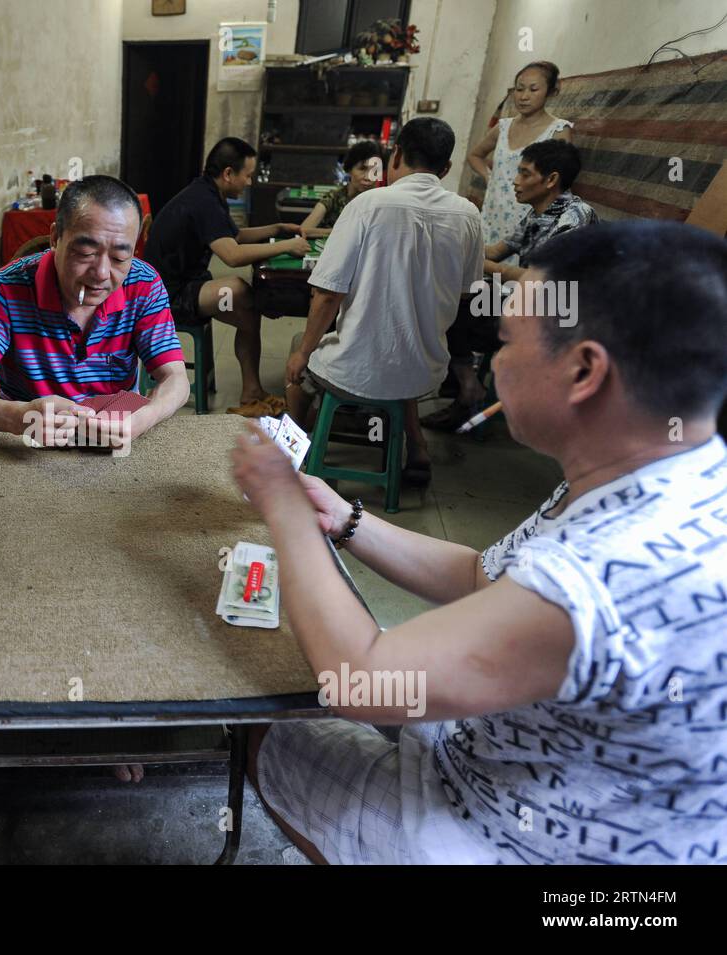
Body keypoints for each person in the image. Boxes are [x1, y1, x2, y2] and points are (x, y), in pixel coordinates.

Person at [233, 220, 727, 864]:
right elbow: (481, 576)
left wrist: (283, 511)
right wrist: (344, 519)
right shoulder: (668, 472)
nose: (496, 362)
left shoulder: (609, 571)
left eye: (507, 341)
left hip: (524, 846)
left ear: (584, 370)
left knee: (263, 727)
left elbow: (362, 683)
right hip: (520, 763)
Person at [284, 118, 484, 484]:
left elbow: (328, 295)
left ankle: (294, 455)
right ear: (447, 168)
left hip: (359, 371)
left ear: (397, 155)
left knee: (300, 352)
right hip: (425, 372)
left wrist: (302, 355)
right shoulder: (468, 215)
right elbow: (466, 294)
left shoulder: (368, 205)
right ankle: (417, 448)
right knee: (400, 358)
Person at [0, 175, 189, 452]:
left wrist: (144, 418)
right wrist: (19, 417)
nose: (102, 274)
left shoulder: (143, 285)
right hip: (26, 445)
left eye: (119, 257)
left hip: (113, 436)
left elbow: (176, 378)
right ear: (56, 237)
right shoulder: (4, 291)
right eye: (85, 252)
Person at [425, 139, 598, 430]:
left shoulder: (574, 218)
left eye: (525, 173)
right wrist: (451, 244)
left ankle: (467, 389)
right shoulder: (539, 213)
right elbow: (495, 251)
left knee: (458, 306)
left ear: (551, 179)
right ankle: (463, 386)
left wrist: (477, 264)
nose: (515, 182)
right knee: (451, 296)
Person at [143, 138, 308, 417]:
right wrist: (286, 245)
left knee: (246, 306)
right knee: (238, 294)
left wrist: (277, 228)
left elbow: (234, 236)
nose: (250, 182)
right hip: (165, 296)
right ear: (229, 174)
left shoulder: (209, 194)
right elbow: (231, 254)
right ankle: (251, 393)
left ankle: (252, 391)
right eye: (248, 175)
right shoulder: (203, 200)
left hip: (185, 283)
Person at [466, 61, 574, 261]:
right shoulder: (504, 127)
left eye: (533, 89)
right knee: (482, 273)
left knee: (516, 280)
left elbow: (561, 181)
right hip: (494, 211)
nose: (524, 96)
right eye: (519, 89)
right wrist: (490, 177)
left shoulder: (558, 130)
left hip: (528, 214)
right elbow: (475, 155)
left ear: (550, 92)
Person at [297, 140, 385, 239]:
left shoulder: (381, 202)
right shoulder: (333, 197)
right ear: (349, 169)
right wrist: (344, 232)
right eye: (362, 169)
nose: (368, 177)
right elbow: (303, 230)